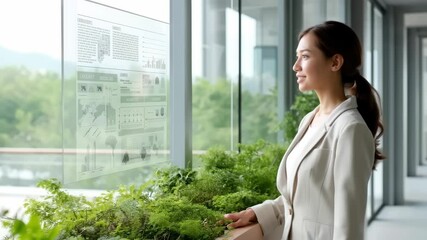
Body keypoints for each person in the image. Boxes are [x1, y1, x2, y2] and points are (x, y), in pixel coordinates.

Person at [224, 20, 385, 240]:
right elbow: (305, 198)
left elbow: (349, 223)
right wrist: (258, 212)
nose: (296, 66)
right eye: (297, 56)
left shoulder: (350, 129)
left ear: (335, 62)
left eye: (305, 56)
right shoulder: (311, 119)